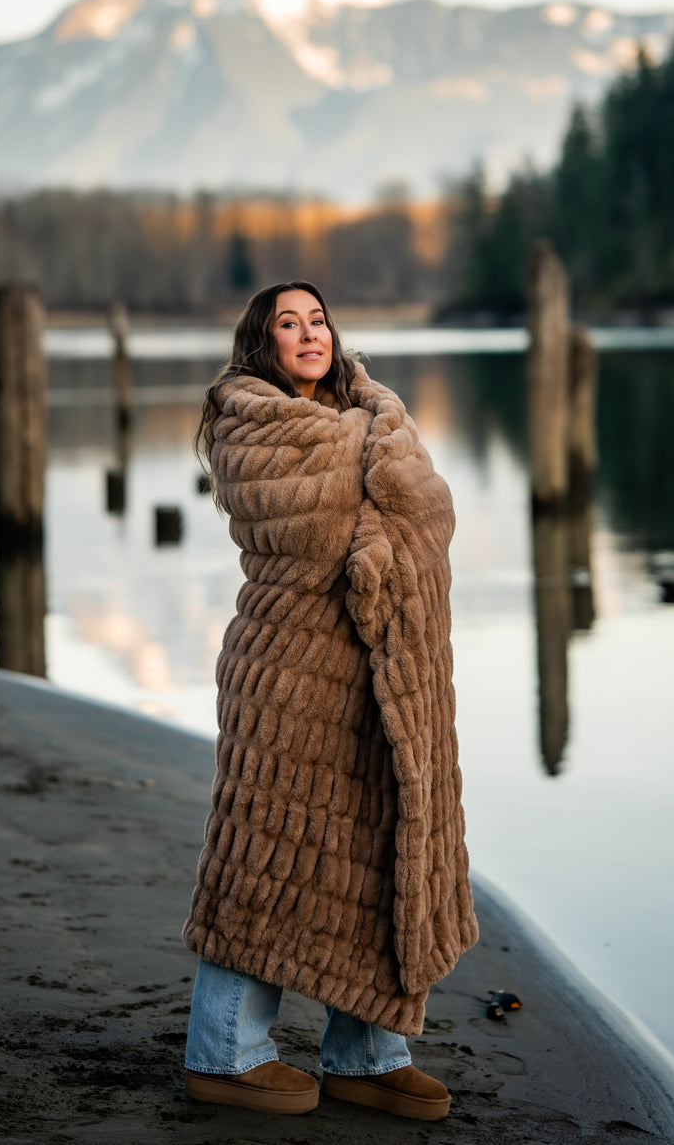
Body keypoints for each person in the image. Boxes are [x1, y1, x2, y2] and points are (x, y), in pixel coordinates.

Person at [182, 281, 478, 1120]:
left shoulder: (376, 412)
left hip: (374, 669)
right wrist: (383, 481)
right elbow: (317, 527)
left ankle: (367, 1052)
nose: (308, 333)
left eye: (318, 320)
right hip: (284, 671)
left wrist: (382, 483)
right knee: (262, 855)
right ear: (261, 342)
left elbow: (435, 511)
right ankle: (225, 1051)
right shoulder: (247, 421)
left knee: (373, 845)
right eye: (288, 322)